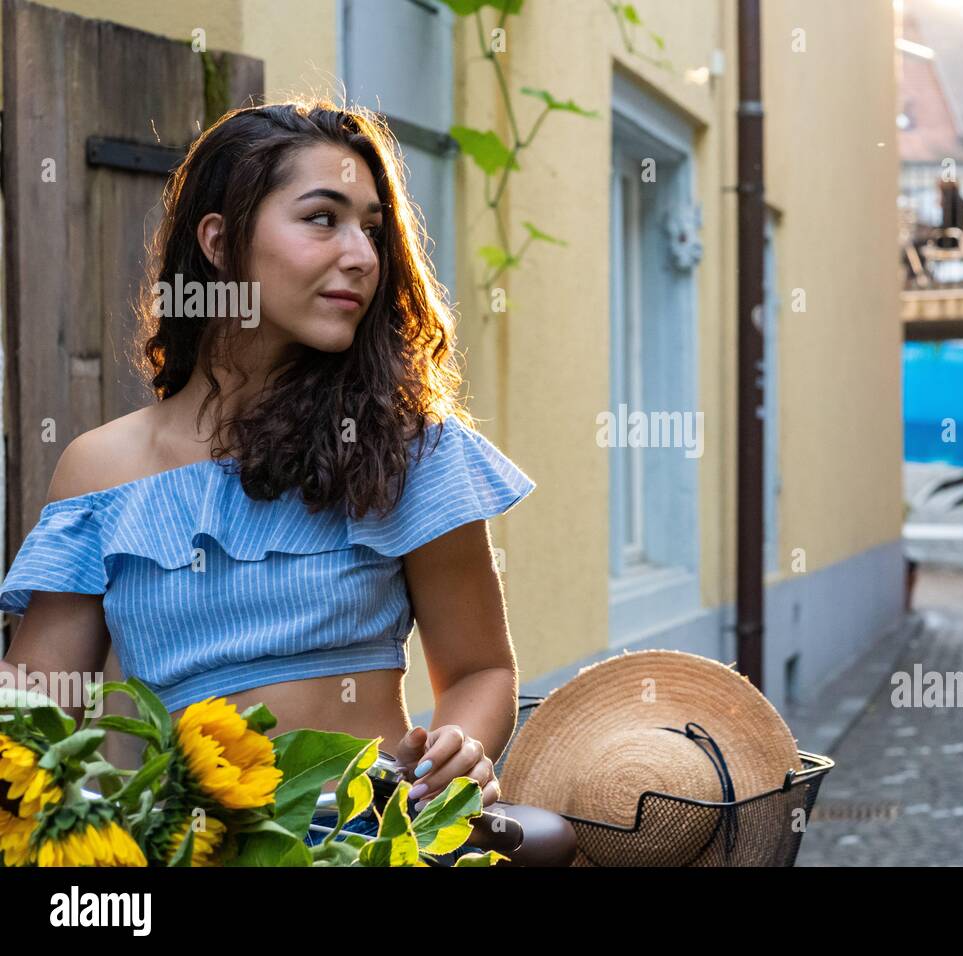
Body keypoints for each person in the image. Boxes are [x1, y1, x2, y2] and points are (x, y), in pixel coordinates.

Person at [0, 100, 552, 864]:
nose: (361, 254)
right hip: (187, 849)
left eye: (373, 229)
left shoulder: (409, 446)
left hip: (376, 842)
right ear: (220, 243)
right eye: (323, 219)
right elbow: (33, 710)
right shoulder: (100, 472)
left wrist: (458, 748)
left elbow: (480, 668)